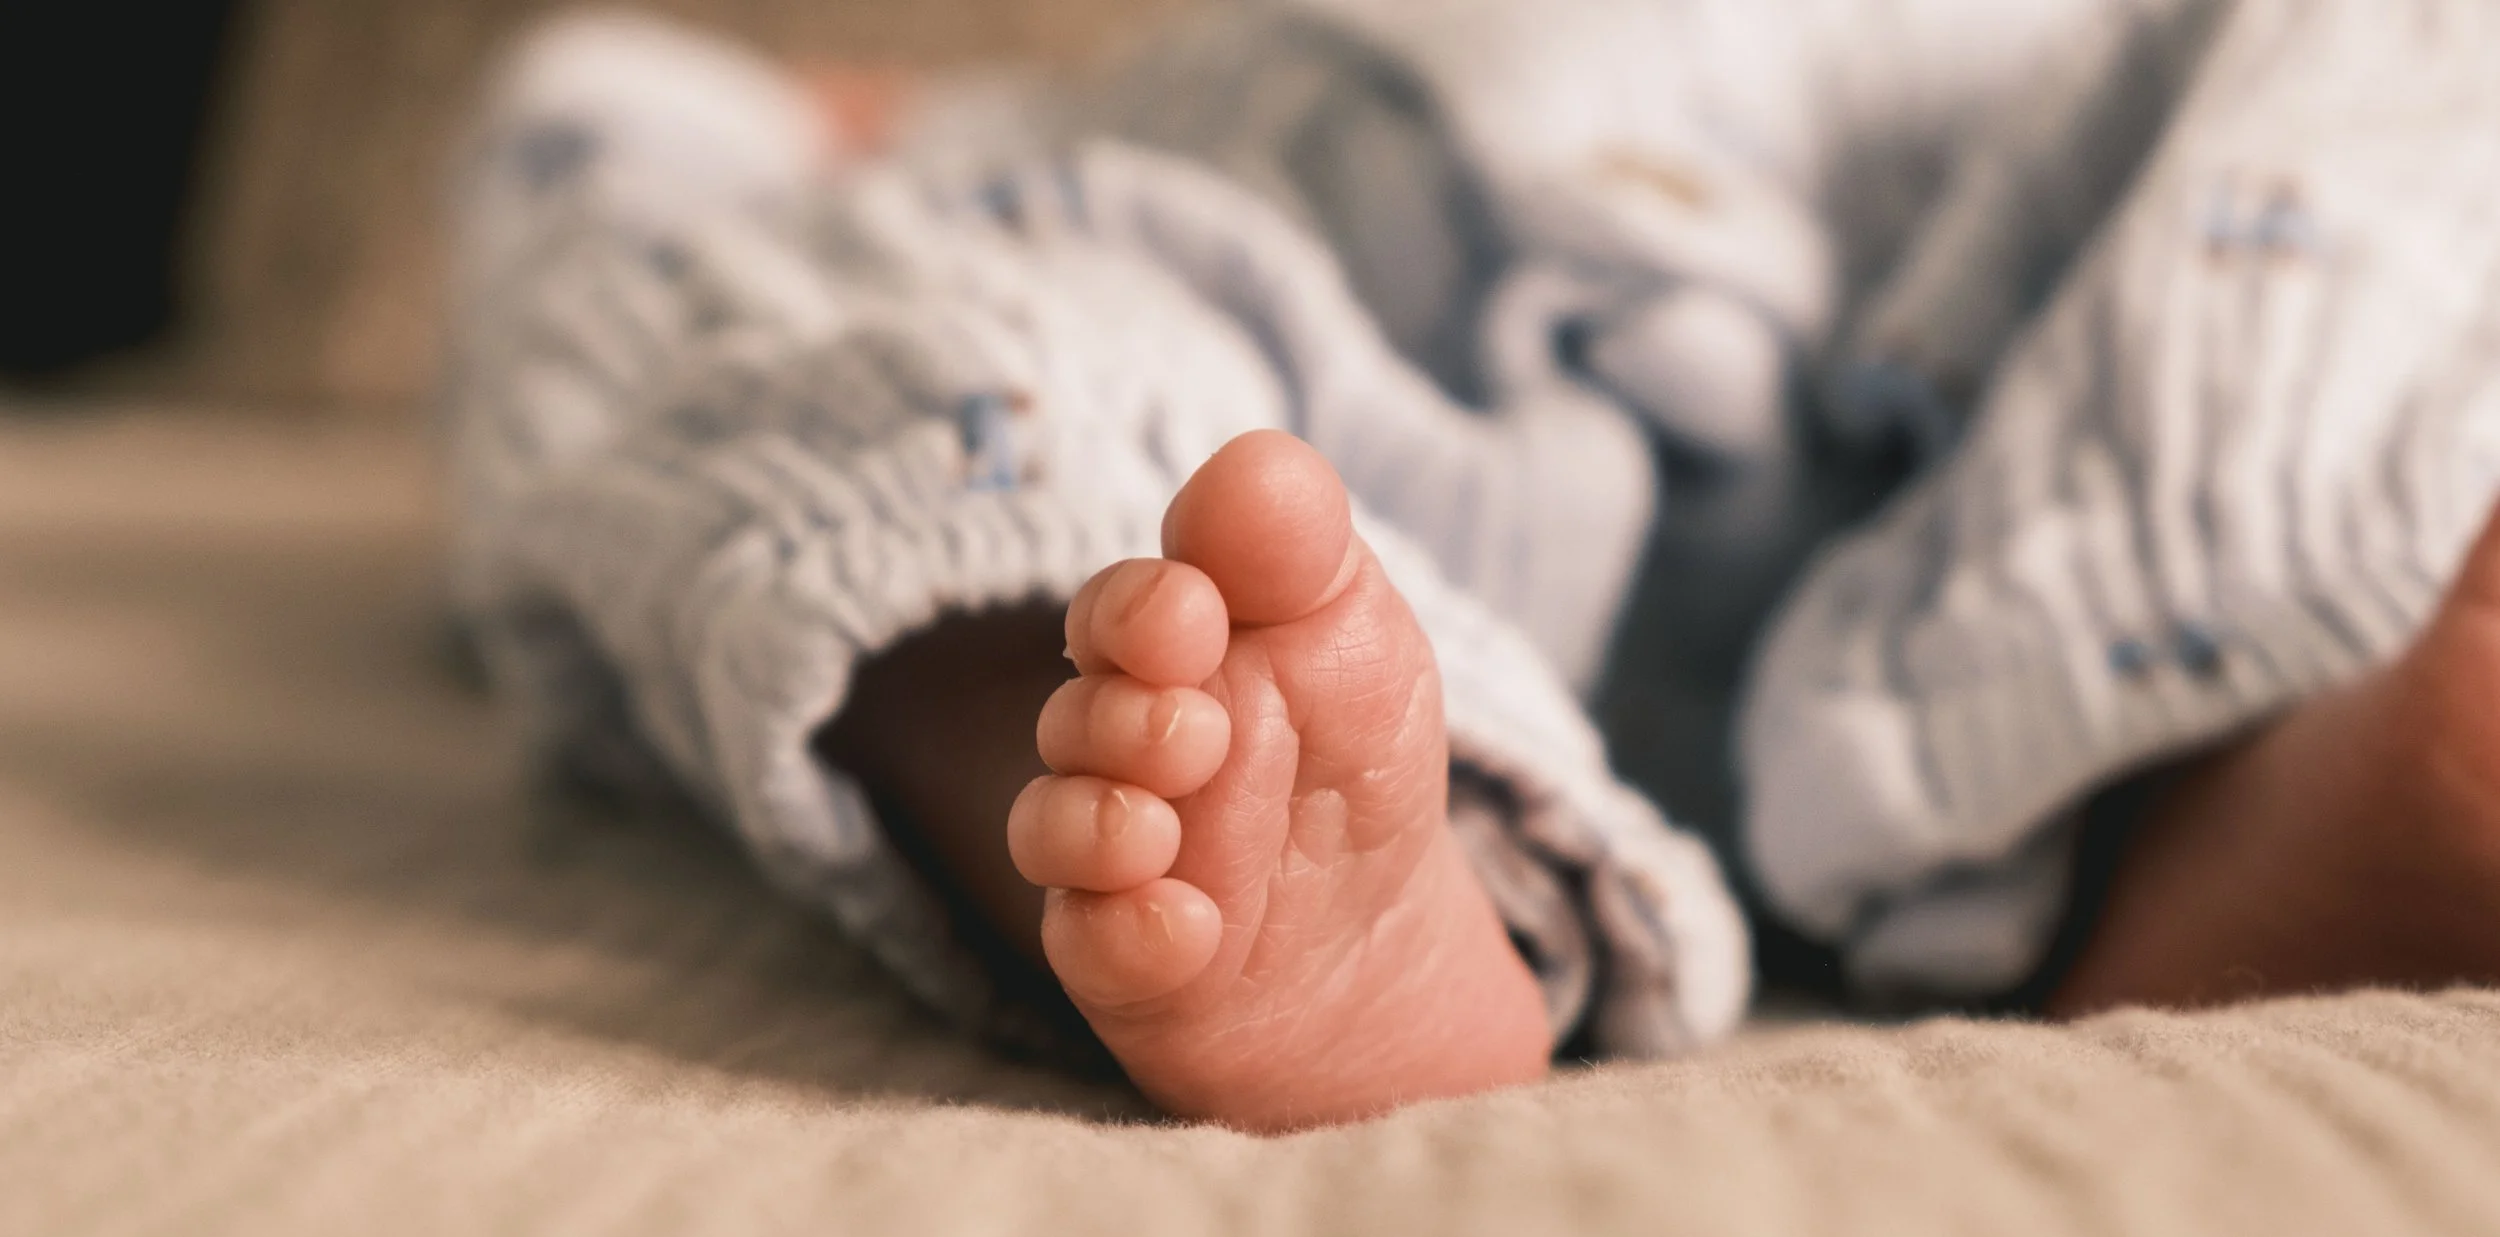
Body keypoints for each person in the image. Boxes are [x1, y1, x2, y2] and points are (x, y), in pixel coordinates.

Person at [445, 0, 2500, 1130]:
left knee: (801, 343)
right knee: (1040, 448)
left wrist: (762, 130)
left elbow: (609, 202)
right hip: (1981, 348)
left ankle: (1086, 712)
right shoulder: (992, 153)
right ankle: (2212, 760)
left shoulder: (920, 163)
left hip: (1772, 274)